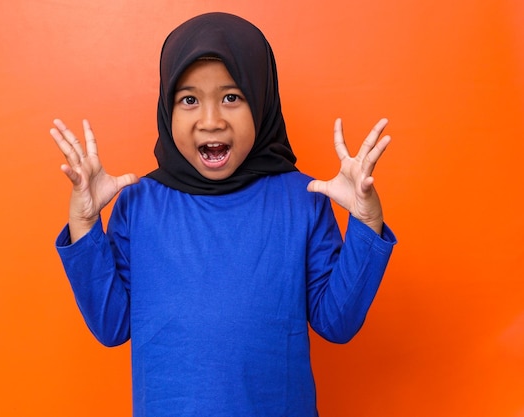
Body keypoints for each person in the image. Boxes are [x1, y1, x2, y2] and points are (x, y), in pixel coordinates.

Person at [51, 12, 396, 417]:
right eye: (189, 99)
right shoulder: (139, 204)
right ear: (167, 108)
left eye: (232, 97)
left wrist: (366, 223)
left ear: (262, 101)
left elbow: (337, 323)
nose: (210, 120)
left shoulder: (304, 199)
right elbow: (111, 326)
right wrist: (85, 224)